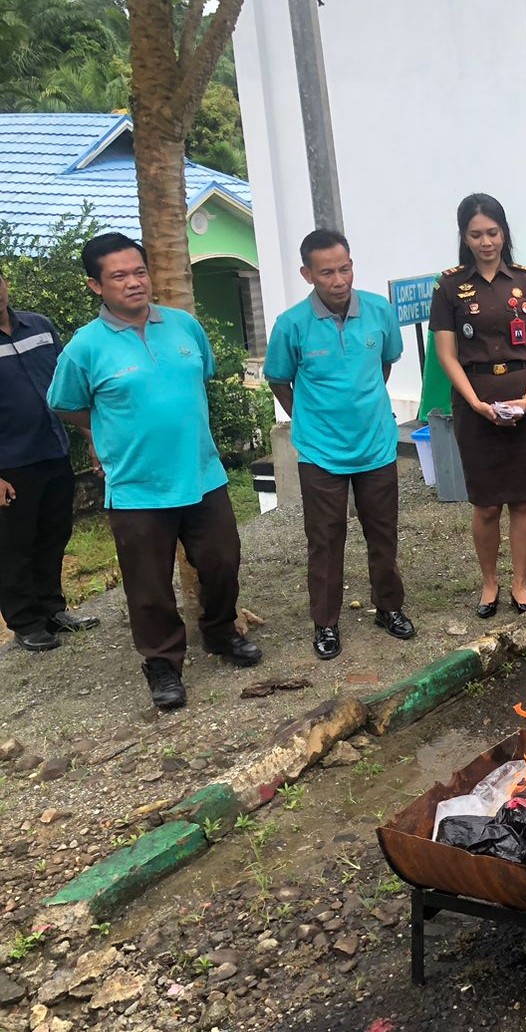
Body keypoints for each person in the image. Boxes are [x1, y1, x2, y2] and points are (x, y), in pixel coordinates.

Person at [47, 233, 259, 711]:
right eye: (118, 276)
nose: (133, 282)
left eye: (138, 271)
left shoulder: (184, 327)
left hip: (202, 476)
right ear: (95, 286)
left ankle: (221, 634)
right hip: (137, 487)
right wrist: (99, 433)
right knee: (148, 587)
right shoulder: (85, 347)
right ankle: (162, 664)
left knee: (222, 562)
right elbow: (64, 403)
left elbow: (196, 379)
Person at [265, 230, 415, 660]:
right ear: (307, 273)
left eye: (345, 268)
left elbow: (384, 364)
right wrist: (308, 419)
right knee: (326, 539)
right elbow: (279, 378)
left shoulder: (379, 312)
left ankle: (389, 607)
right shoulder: (291, 324)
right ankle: (326, 623)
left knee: (383, 533)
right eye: (327, 271)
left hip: (376, 446)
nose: (338, 279)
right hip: (320, 453)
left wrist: (363, 407)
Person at [428, 194, 526, 619]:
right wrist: (476, 403)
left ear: (504, 233)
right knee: (485, 503)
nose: (486, 242)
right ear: (464, 237)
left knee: (523, 500)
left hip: (525, 397)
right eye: (476, 234)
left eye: (493, 232)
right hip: (475, 403)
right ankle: (489, 583)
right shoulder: (448, 287)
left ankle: (520, 583)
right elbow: (447, 354)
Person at [0, 263, 98, 652]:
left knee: (54, 534)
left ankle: (52, 609)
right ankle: (25, 621)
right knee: (12, 544)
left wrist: (90, 437)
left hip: (53, 450)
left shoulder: (39, 327)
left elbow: (68, 388)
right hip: (10, 464)